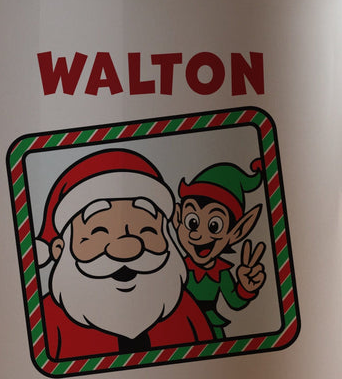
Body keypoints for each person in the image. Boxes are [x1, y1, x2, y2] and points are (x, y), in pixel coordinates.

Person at [36, 148, 212, 360]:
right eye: (99, 232)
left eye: (146, 230)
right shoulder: (46, 320)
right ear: (59, 249)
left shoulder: (183, 309)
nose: (128, 249)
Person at [172, 160, 267, 338]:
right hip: (181, 325)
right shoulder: (178, 266)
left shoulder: (221, 272)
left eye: (214, 226)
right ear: (178, 217)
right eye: (192, 222)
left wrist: (245, 287)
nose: (199, 234)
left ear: (236, 232)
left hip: (210, 328)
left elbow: (234, 302)